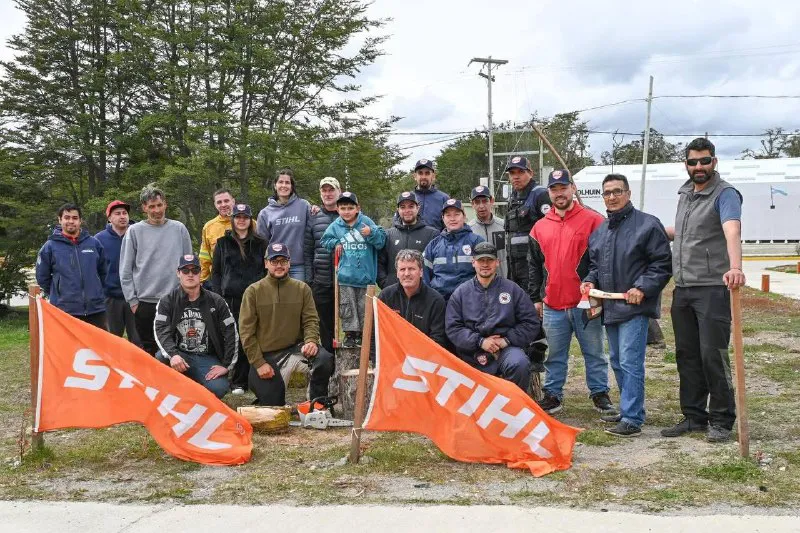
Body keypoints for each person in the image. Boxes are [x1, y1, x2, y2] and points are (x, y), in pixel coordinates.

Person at [660, 137, 746, 443]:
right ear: (686, 164)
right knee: (687, 355)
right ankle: (694, 416)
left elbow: (731, 229)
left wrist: (735, 268)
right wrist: (647, 228)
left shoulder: (725, 194)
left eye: (704, 161)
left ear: (715, 162)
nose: (699, 166)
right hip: (682, 288)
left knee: (713, 355)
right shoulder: (685, 194)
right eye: (693, 161)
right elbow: (681, 232)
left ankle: (722, 419)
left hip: (712, 288)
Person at [582, 174, 672, 438]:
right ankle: (628, 409)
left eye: (617, 191)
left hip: (634, 307)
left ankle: (633, 419)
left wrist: (642, 287)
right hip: (610, 308)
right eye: (607, 192)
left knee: (631, 362)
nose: (612, 196)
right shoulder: (601, 231)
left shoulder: (647, 225)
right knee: (618, 361)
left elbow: (661, 264)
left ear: (628, 193)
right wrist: (588, 281)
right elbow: (595, 266)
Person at [528, 170, 614, 416]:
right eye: (554, 189)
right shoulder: (539, 227)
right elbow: (533, 265)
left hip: (586, 303)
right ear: (549, 193)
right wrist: (536, 297)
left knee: (594, 352)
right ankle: (553, 395)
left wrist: (596, 287)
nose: (559, 193)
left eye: (563, 187)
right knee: (555, 354)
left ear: (573, 188)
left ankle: (599, 394)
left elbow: (603, 260)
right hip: (553, 304)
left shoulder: (593, 220)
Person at [238, 243, 334, 406]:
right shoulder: (253, 291)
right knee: (273, 404)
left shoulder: (302, 288)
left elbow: (311, 320)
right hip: (267, 356)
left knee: (324, 359)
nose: (279, 265)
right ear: (266, 263)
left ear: (289, 263)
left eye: (283, 261)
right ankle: (265, 396)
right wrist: (259, 363)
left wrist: (311, 340)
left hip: (296, 349)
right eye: (274, 261)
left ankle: (317, 404)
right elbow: (246, 332)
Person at [446, 242, 540, 390]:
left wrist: (506, 340)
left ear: (497, 262)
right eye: (480, 260)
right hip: (472, 352)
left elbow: (531, 322)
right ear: (473, 262)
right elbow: (453, 328)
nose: (485, 264)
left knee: (519, 363)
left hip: (506, 349)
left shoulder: (512, 289)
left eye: (489, 260)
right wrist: (480, 341)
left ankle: (513, 408)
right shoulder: (461, 293)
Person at [120, 184, 193, 356]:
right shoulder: (134, 231)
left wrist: (188, 294)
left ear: (165, 204)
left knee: (178, 347)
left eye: (159, 205)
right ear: (144, 208)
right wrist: (133, 302)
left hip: (175, 300)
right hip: (145, 303)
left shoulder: (179, 229)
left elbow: (189, 265)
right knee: (150, 351)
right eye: (151, 206)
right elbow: (125, 270)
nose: (156, 210)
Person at [153, 254, 237, 400]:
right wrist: (173, 354)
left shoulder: (216, 301)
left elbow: (231, 333)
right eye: (185, 270)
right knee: (161, 357)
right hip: (181, 355)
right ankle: (179, 391)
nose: (190, 274)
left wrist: (226, 365)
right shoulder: (167, 301)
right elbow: (161, 330)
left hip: (207, 357)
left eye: (195, 270)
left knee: (219, 388)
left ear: (201, 273)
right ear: (178, 273)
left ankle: (194, 387)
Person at [210, 203, 268, 395]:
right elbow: (216, 273)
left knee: (251, 337)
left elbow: (265, 270)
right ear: (233, 219)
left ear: (250, 220)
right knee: (234, 338)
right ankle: (236, 381)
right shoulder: (222, 243)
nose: (241, 220)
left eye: (245, 217)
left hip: (254, 298)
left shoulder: (261, 243)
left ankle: (250, 379)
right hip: (230, 298)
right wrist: (218, 296)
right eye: (238, 217)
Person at [321, 191, 386, 347]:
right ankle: (351, 335)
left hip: (365, 279)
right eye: (343, 208)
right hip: (345, 277)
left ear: (358, 208)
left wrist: (371, 233)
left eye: (350, 208)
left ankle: (365, 336)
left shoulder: (366, 222)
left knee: (365, 309)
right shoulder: (336, 225)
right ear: (337, 209)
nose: (346, 211)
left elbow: (381, 241)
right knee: (348, 308)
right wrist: (336, 243)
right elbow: (325, 240)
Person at [36, 203, 108, 329]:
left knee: (98, 348)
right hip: (65, 310)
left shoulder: (94, 243)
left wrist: (96, 292)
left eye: (75, 218)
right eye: (67, 217)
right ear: (60, 220)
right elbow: (42, 277)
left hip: (95, 310)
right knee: (69, 349)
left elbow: (103, 272)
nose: (71, 221)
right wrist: (58, 293)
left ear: (80, 221)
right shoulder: (50, 247)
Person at [377, 249, 447, 347]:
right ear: (397, 273)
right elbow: (376, 333)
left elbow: (438, 339)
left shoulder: (436, 301)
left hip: (423, 358)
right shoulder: (386, 296)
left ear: (421, 272)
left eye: (411, 269)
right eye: (402, 269)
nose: (406, 274)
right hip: (392, 356)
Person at [95, 200, 140, 345]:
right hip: (111, 298)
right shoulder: (99, 240)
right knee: (111, 341)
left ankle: (136, 367)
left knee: (139, 340)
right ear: (109, 218)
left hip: (135, 296)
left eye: (125, 213)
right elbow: (95, 269)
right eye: (117, 213)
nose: (122, 216)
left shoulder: (138, 234)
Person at [256, 168, 313, 282]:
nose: (284, 185)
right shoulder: (265, 213)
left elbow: (313, 231)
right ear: (275, 185)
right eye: (280, 182)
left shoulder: (304, 206)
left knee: (297, 298)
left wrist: (317, 209)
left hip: (298, 265)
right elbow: (261, 243)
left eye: (287, 182)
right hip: (276, 265)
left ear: (292, 186)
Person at [503, 156, 551, 291]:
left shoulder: (541, 195)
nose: (516, 177)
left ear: (530, 173)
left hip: (534, 268)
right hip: (514, 266)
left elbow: (551, 232)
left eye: (521, 172)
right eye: (512, 173)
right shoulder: (513, 196)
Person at [422, 199, 484, 301]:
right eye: (448, 215)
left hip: (469, 300)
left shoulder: (477, 241)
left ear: (464, 217)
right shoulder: (433, 244)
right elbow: (424, 276)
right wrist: (430, 299)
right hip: (440, 301)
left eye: (456, 214)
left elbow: (485, 272)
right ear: (443, 218)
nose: (452, 219)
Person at [378, 191, 439, 288]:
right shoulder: (388, 234)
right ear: (398, 210)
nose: (407, 210)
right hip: (393, 293)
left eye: (411, 206)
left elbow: (437, 265)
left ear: (418, 208)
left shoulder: (432, 234)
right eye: (403, 207)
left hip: (422, 294)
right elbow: (380, 262)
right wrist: (385, 283)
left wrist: (429, 287)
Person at [310, 177, 342, 353]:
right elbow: (308, 248)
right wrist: (310, 277)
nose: (328, 194)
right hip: (321, 280)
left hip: (345, 279)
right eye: (325, 191)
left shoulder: (348, 214)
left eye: (332, 190)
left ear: (339, 191)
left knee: (350, 323)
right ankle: (329, 360)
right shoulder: (314, 217)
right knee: (325, 324)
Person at [468, 185, 507, 278]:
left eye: (485, 201)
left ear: (492, 201)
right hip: (478, 286)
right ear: (472, 204)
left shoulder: (504, 226)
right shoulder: (468, 230)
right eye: (477, 202)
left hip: (503, 282)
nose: (481, 206)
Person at [198, 188, 234, 284]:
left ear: (233, 201)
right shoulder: (209, 227)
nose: (223, 205)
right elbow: (204, 258)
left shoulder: (249, 223)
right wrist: (202, 281)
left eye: (226, 201)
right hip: (219, 280)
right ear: (215, 204)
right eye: (219, 202)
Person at [411, 159, 450, 231]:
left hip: (437, 241)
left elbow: (450, 227)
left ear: (433, 176)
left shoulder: (444, 198)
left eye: (427, 173)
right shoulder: (408, 198)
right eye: (420, 173)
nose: (423, 177)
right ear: (415, 176)